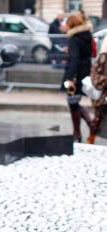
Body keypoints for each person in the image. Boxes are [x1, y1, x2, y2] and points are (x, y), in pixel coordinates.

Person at [62, 13, 94, 142]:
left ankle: (81, 131)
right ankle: (83, 130)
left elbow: (75, 59)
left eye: (67, 23)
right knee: (74, 102)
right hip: (84, 71)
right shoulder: (86, 36)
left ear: (72, 24)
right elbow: (84, 54)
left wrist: (69, 78)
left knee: (73, 102)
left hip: (74, 75)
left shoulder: (74, 38)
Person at [88, 38, 107, 143]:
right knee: (98, 118)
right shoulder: (103, 58)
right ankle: (91, 139)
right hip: (103, 95)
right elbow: (95, 76)